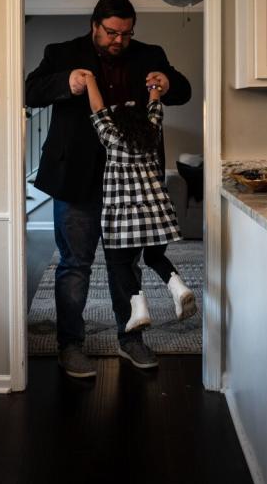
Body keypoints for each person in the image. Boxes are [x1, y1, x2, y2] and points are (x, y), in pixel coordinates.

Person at [25, 0, 191, 378]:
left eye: (127, 33)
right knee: (75, 264)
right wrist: (66, 82)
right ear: (94, 25)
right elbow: (30, 91)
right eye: (112, 32)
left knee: (126, 265)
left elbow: (183, 90)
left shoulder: (150, 54)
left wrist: (167, 81)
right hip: (77, 178)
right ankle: (70, 344)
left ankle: (130, 337)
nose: (119, 40)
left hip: (133, 181)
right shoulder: (62, 52)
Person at [85, 74, 198, 340]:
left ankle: (139, 308)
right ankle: (178, 287)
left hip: (124, 216)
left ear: (118, 123)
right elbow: (155, 107)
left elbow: (97, 108)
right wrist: (154, 88)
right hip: (156, 212)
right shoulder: (151, 132)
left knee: (120, 263)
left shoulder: (111, 137)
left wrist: (91, 80)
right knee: (155, 257)